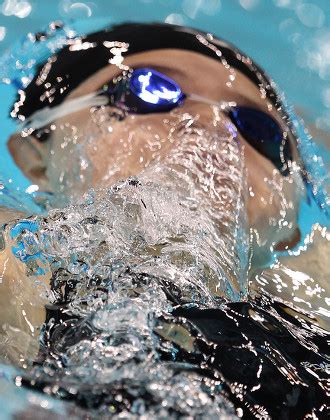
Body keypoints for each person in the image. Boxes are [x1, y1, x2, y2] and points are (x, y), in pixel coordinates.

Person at [0, 22, 327, 417]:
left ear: (289, 232)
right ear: (34, 158)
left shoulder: (314, 306)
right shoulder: (16, 262)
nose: (213, 125)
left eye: (258, 130)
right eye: (150, 90)